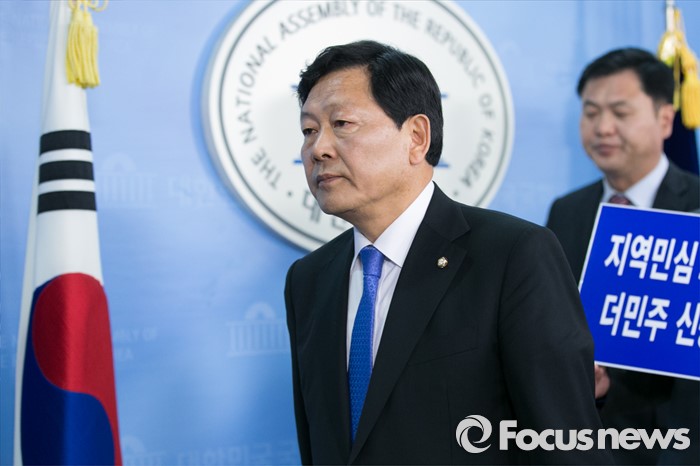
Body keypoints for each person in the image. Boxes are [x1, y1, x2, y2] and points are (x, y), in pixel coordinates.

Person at [285, 40, 611, 465]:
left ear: (416, 137)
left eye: (342, 123)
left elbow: (566, 445)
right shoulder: (309, 279)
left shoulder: (512, 256)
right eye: (309, 130)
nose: (318, 149)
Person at [546, 47, 700, 465]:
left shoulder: (696, 206)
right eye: (591, 112)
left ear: (665, 119)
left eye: (620, 112)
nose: (603, 127)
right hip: (592, 438)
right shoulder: (567, 211)